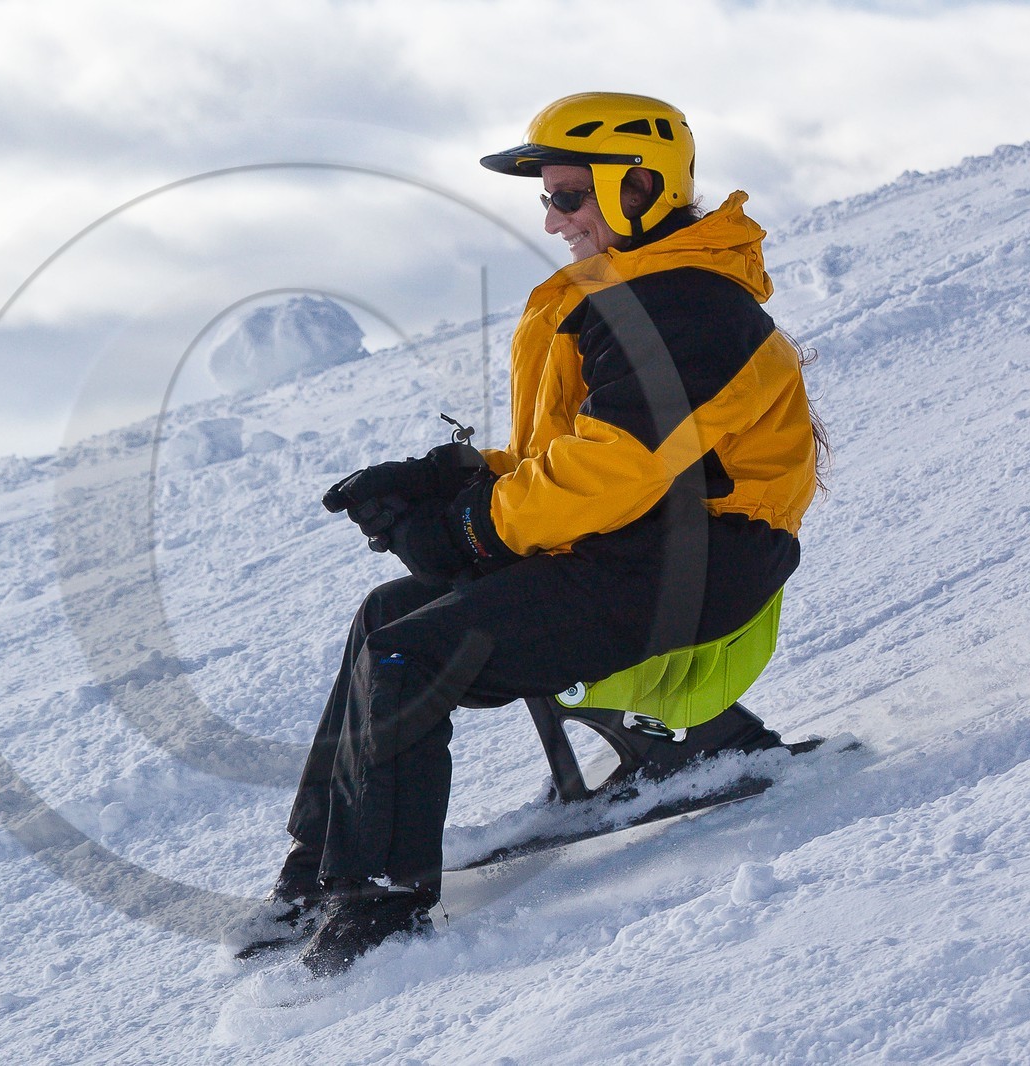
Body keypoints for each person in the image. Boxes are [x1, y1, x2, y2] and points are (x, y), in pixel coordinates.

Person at [225, 92, 824, 977]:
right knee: (384, 617)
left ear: (642, 186)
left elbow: (608, 470)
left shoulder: (691, 310)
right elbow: (568, 455)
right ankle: (319, 869)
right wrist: (449, 479)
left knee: (413, 658)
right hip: (636, 548)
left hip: (698, 564)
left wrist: (470, 532)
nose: (554, 221)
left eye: (570, 197)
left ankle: (378, 909)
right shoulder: (632, 294)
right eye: (546, 199)